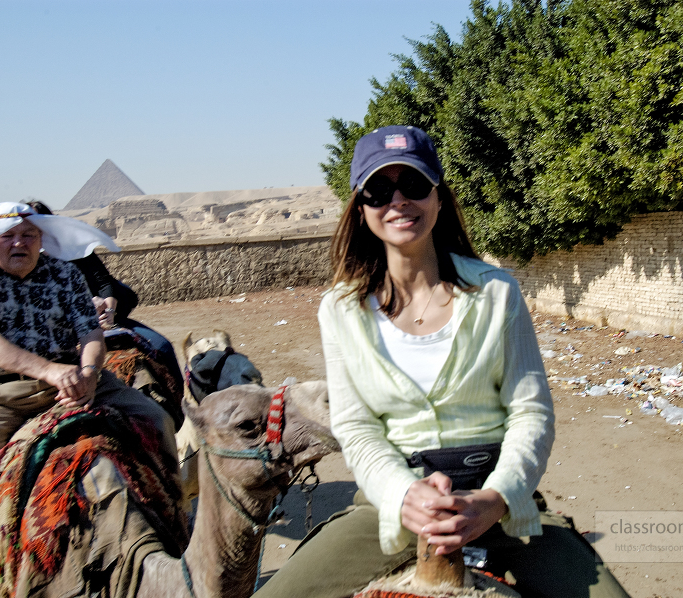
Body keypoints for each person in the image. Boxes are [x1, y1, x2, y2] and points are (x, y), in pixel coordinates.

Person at [255, 126, 630, 597]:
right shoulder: (341, 309)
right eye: (378, 189)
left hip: (497, 503)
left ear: (438, 196)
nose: (398, 201)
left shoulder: (496, 293)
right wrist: (402, 495)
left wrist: (495, 499)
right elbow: (355, 426)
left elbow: (531, 411)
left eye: (413, 185)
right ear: (360, 206)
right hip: (391, 508)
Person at [0, 202, 180, 596]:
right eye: (8, 236)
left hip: (76, 377)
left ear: (41, 239)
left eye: (28, 235)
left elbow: (90, 333)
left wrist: (88, 374)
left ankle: (174, 512)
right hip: (3, 391)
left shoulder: (64, 273)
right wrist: (51, 372)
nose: (19, 242)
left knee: (156, 419)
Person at [25, 201, 182, 395]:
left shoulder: (75, 249)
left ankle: (181, 406)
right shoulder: (22, 262)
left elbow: (104, 283)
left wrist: (108, 312)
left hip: (102, 319)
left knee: (161, 347)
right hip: (61, 332)